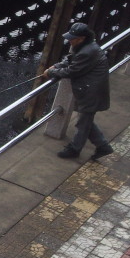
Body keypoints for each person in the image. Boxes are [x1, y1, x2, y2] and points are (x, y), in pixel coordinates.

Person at [44, 22, 113, 160]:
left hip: (91, 93)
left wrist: (52, 73)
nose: (70, 40)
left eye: (72, 38)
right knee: (86, 121)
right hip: (90, 90)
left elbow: (73, 70)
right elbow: (71, 60)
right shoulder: (86, 47)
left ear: (81, 38)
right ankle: (103, 146)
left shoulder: (87, 52)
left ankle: (75, 149)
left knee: (83, 122)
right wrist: (56, 66)